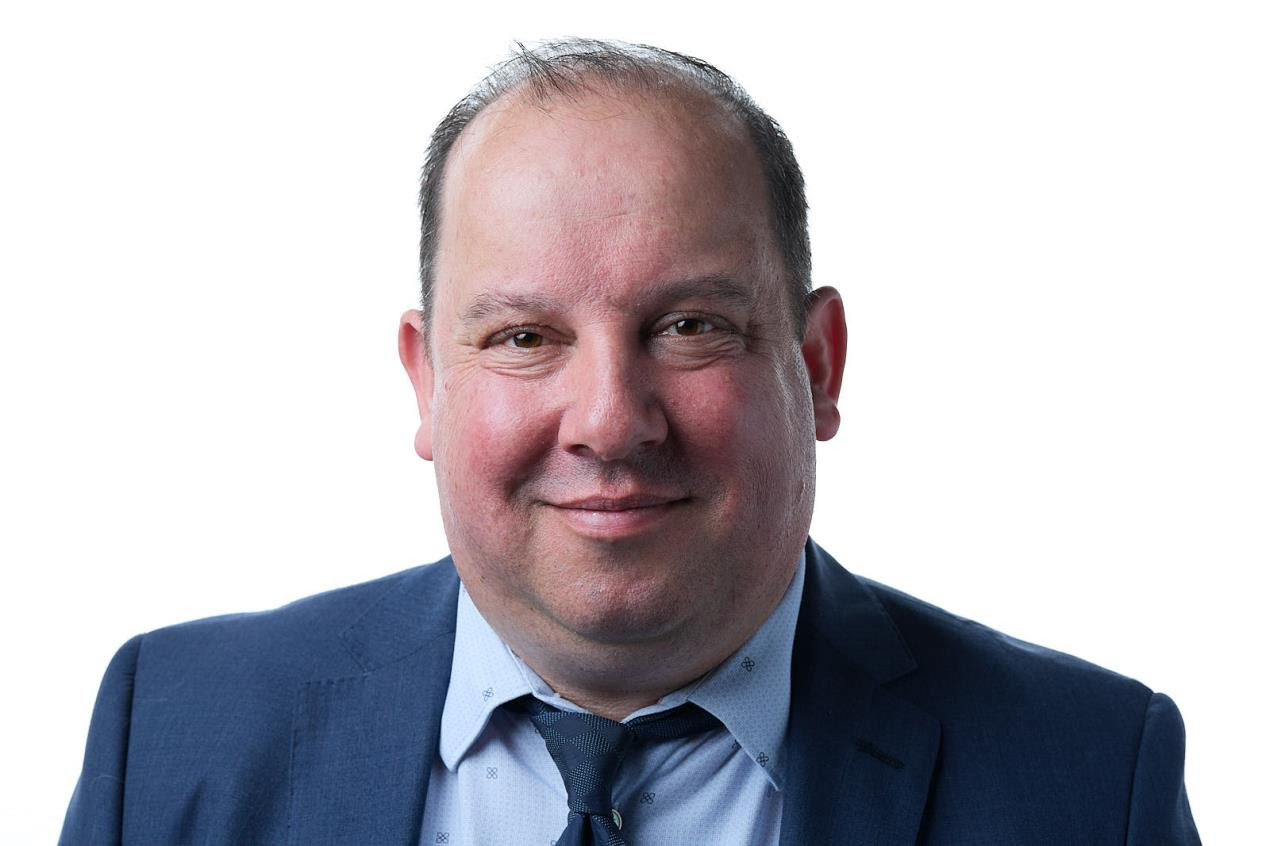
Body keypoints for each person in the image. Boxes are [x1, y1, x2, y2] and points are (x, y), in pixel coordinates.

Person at [60, 39, 1200, 845]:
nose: (610, 422)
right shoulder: (171, 737)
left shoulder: (1091, 779)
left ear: (817, 366)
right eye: (524, 337)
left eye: (689, 326)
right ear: (427, 381)